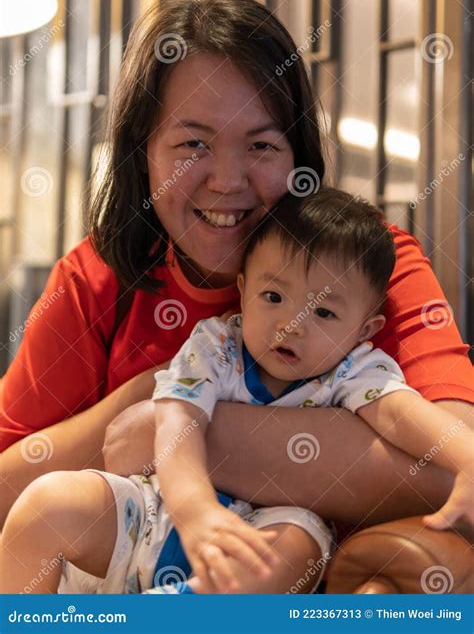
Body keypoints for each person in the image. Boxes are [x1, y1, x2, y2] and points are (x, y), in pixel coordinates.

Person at [1, 0, 472, 537]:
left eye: (262, 146)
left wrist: (177, 429)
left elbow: (449, 469)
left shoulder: (365, 267)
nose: (227, 180)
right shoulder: (96, 276)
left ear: (298, 155)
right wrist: (138, 397)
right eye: (193, 144)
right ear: (143, 153)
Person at [2, 189, 472, 595]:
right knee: (49, 500)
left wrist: (467, 459)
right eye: (273, 298)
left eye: (324, 314)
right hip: (155, 512)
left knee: (294, 548)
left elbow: (401, 414)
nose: (291, 324)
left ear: (365, 329)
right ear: (243, 291)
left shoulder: (355, 369)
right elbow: (177, 424)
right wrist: (197, 511)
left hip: (269, 526)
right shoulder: (217, 346)